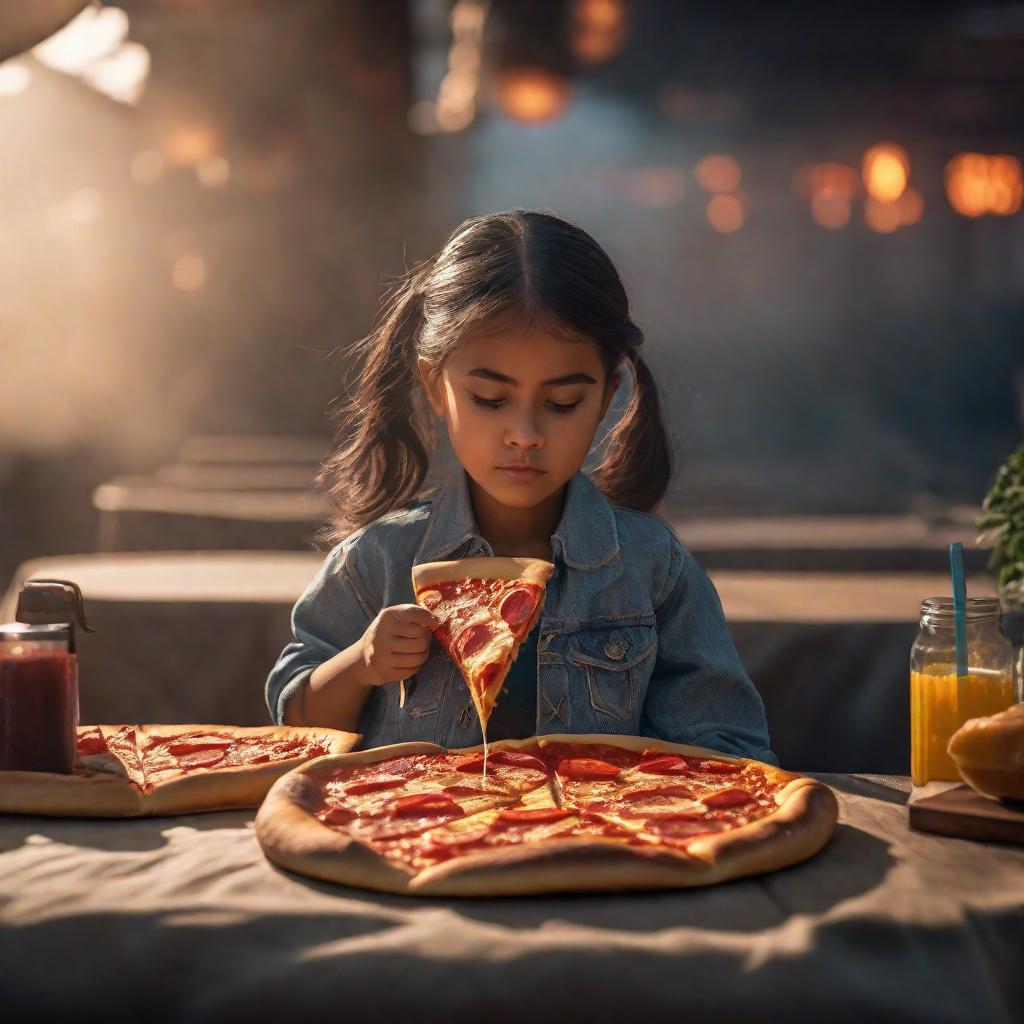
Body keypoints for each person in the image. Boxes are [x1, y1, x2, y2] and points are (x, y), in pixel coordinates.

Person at [266, 209, 776, 763]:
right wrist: (361, 663)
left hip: (596, 842)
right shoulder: (378, 561)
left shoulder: (652, 570)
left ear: (607, 396)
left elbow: (730, 748)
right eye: (490, 399)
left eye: (562, 404)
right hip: (418, 837)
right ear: (436, 387)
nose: (526, 435)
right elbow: (292, 731)